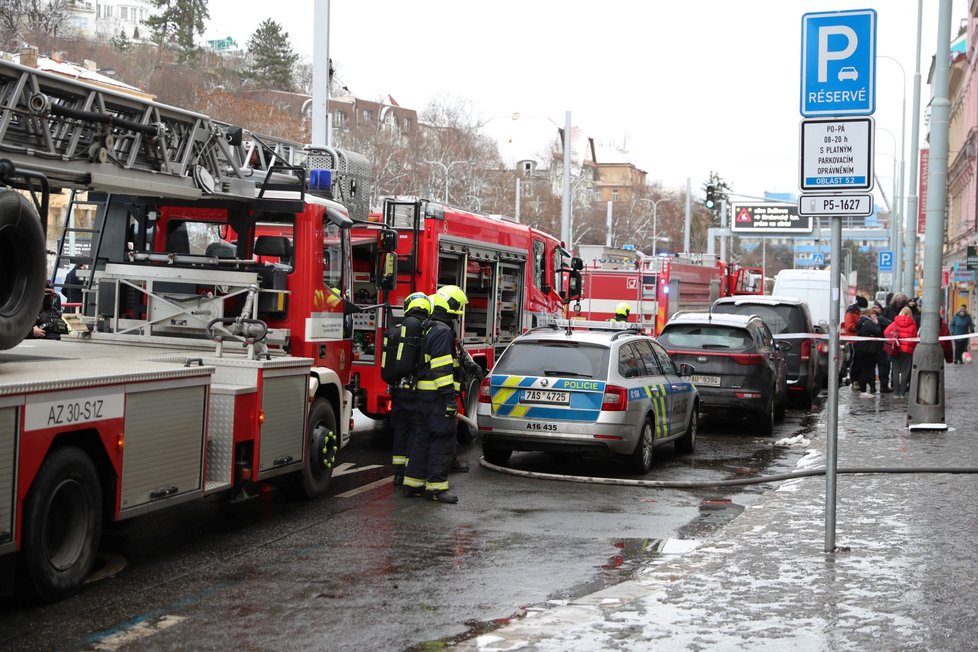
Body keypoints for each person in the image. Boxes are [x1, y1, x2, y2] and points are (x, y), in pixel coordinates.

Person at [402, 285, 468, 504]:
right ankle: (436, 489)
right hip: (437, 398)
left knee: (422, 438)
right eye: (456, 310)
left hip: (422, 396)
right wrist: (449, 399)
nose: (457, 314)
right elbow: (441, 369)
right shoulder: (442, 332)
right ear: (449, 308)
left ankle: (413, 484)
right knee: (443, 440)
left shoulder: (427, 328)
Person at [389, 292, 432, 486]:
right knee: (416, 431)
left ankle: (398, 472)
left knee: (401, 429)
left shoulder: (397, 331)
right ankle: (410, 471)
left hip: (398, 390)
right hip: (417, 391)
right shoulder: (428, 333)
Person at [885, 306, 918, 398]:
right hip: (907, 351)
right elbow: (914, 338)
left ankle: (896, 393)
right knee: (905, 372)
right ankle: (902, 393)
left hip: (896, 349)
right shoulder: (913, 324)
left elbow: (886, 332)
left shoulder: (895, 323)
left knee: (895, 371)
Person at [853, 305, 883, 396]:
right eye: (874, 315)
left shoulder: (861, 321)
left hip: (861, 348)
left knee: (864, 369)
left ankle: (863, 390)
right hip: (868, 349)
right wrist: (876, 323)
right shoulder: (868, 323)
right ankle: (863, 391)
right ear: (870, 315)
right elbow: (878, 331)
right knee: (866, 370)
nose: (876, 317)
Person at [842, 295, 867, 388]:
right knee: (855, 361)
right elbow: (849, 326)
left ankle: (858, 380)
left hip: (859, 339)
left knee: (860, 361)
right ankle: (854, 380)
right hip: (853, 340)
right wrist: (859, 326)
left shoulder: (857, 312)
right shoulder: (851, 312)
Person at [874, 303, 893, 393]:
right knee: (882, 367)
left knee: (881, 367)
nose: (875, 309)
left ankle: (879, 386)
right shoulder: (882, 319)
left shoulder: (880, 319)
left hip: (877, 346)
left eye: (877, 307)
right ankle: (882, 386)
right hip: (879, 346)